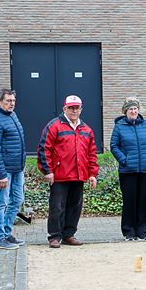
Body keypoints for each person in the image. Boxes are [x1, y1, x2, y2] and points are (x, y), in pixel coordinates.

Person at [37, 95, 99, 248]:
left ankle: (69, 235)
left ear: (81, 109)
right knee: (57, 207)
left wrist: (92, 174)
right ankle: (55, 236)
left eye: (77, 107)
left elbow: (91, 154)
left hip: (79, 175)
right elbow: (44, 149)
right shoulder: (54, 126)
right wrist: (47, 171)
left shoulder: (86, 129)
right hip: (59, 175)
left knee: (74, 207)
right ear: (64, 108)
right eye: (71, 107)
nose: (74, 110)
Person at [110, 97, 146, 241]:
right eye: (130, 109)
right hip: (127, 171)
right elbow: (114, 146)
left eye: (135, 109)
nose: (133, 111)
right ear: (126, 111)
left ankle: (142, 231)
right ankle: (129, 231)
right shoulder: (119, 127)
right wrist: (124, 160)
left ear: (138, 110)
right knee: (129, 201)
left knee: (143, 201)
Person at [0, 88, 26, 250]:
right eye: (8, 101)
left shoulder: (11, 115)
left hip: (17, 168)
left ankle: (7, 234)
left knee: (17, 200)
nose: (12, 104)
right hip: (4, 171)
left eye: (13, 101)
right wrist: (1, 174)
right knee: (1, 202)